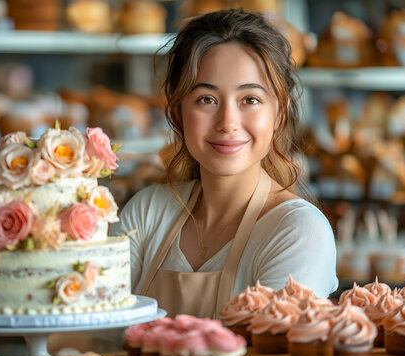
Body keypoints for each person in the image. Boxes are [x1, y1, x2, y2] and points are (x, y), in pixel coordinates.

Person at [109, 8, 338, 318]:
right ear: (177, 114)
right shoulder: (148, 212)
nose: (228, 122)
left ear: (279, 114)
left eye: (250, 100)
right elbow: (92, 333)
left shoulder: (298, 231)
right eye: (207, 99)